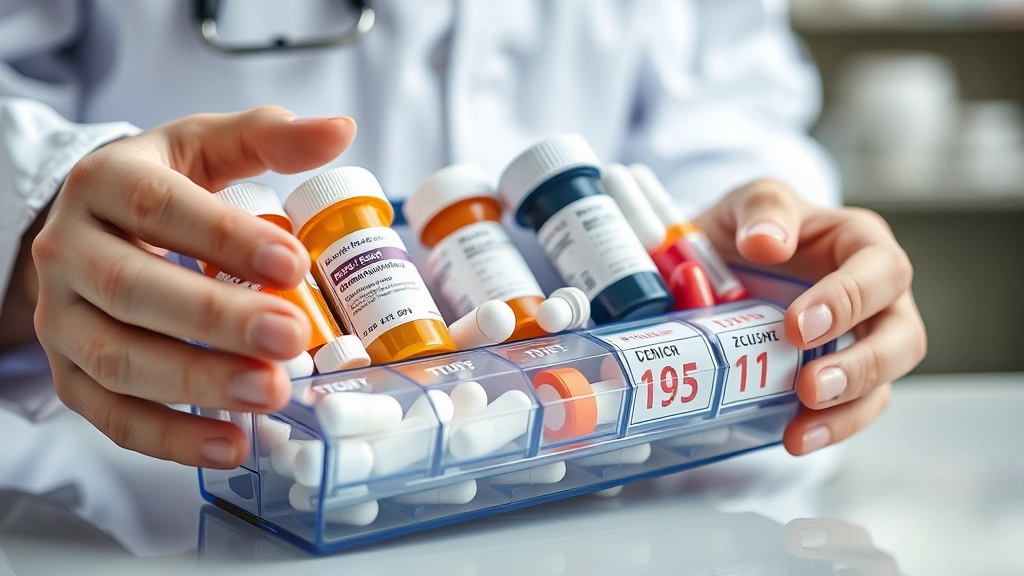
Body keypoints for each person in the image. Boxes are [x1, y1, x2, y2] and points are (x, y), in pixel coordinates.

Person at [0, 1, 926, 471]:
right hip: (170, 486)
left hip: (629, 452)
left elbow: (733, 104)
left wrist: (760, 240)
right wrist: (51, 220)